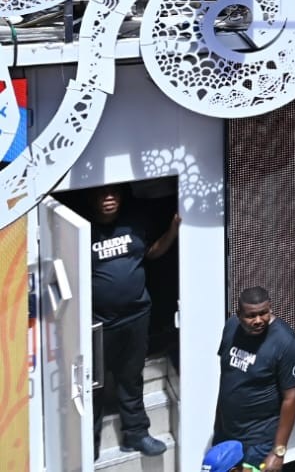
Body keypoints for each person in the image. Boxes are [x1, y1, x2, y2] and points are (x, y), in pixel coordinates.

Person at [88, 185, 178, 457]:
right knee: (93, 385)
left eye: (114, 194)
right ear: (90, 198)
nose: (109, 199)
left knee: (131, 378)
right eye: (102, 195)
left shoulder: (134, 222)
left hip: (136, 317)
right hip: (98, 324)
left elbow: (150, 252)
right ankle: (88, 445)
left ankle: (136, 434)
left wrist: (173, 230)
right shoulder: (82, 229)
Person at [213, 286, 295, 471]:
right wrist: (217, 428)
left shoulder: (286, 343)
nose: (258, 321)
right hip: (227, 434)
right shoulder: (231, 327)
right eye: (250, 316)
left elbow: (291, 398)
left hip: (259, 442)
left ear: (270, 308)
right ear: (238, 314)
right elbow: (227, 379)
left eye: (263, 313)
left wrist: (278, 452)